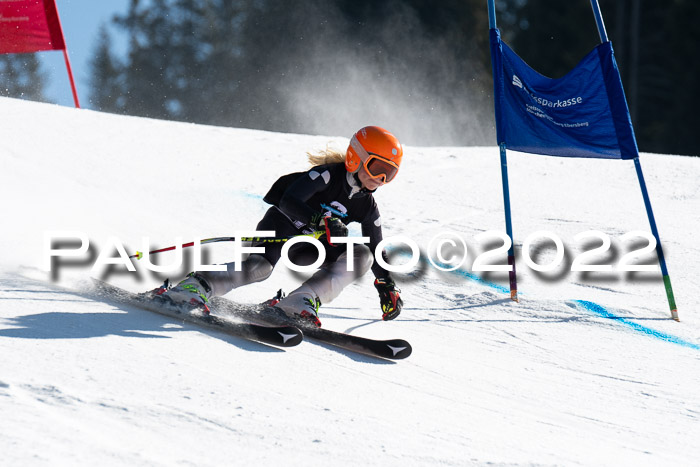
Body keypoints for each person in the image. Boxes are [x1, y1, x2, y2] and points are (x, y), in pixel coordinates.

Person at [158, 125, 404, 327]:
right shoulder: (327, 176)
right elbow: (289, 200)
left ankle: (300, 301)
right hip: (281, 227)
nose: (380, 180)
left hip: (307, 247)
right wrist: (320, 219)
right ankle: (196, 285)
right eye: (377, 168)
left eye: (389, 174)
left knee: (362, 254)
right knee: (259, 269)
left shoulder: (368, 207)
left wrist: (386, 285)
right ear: (356, 158)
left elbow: (376, 246)